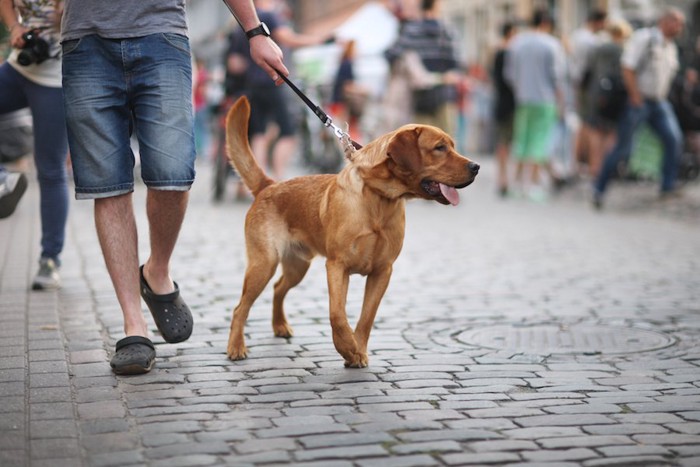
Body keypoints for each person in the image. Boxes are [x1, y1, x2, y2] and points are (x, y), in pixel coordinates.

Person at [60, 0, 288, 375]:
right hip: (86, 43)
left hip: (160, 37)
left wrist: (254, 30)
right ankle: (135, 328)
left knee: (173, 174)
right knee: (108, 184)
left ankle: (157, 271)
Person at [0, 0, 69, 289]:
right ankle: (3, 179)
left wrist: (64, 18)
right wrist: (15, 26)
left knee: (50, 170)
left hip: (55, 79)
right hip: (19, 66)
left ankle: (50, 259)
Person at [225, 0, 333, 181]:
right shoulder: (266, 17)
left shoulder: (239, 25)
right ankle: (278, 180)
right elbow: (288, 39)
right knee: (288, 133)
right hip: (271, 83)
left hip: (251, 86)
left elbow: (234, 64)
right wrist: (319, 40)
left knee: (259, 134)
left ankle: (258, 183)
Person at [592, 8, 686, 209]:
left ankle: (667, 186)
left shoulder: (670, 47)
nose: (679, 27)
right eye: (676, 22)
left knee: (674, 139)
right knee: (623, 148)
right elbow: (628, 67)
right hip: (639, 101)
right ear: (664, 21)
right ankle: (599, 189)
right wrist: (635, 97)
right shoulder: (645, 39)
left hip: (659, 102)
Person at [505, 9, 566, 202]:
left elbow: (510, 74)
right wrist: (561, 100)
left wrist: (521, 88)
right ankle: (532, 185)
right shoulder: (552, 44)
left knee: (521, 141)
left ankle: (515, 184)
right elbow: (557, 76)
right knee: (539, 142)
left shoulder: (517, 43)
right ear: (546, 23)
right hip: (545, 99)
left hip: (523, 98)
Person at [384, 0, 460, 135]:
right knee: (447, 147)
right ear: (436, 5)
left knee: (422, 146)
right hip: (444, 95)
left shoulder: (411, 30)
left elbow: (390, 54)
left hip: (419, 97)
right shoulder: (447, 31)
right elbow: (456, 64)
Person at [581, 19, 632, 177]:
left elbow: (587, 71)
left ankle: (594, 166)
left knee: (595, 130)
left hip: (595, 92)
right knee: (611, 132)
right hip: (614, 95)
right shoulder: (622, 50)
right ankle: (605, 166)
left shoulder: (597, 48)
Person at [569, 9, 607, 172]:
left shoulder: (577, 35)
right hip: (586, 86)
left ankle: (577, 162)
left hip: (576, 83)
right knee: (588, 125)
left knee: (582, 124)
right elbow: (588, 67)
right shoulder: (591, 41)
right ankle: (587, 163)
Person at [491, 21, 517, 197]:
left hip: (500, 102)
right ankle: (506, 179)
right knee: (508, 142)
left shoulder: (497, 53)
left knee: (502, 142)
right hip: (512, 103)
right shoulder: (510, 53)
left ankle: (502, 178)